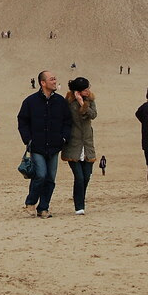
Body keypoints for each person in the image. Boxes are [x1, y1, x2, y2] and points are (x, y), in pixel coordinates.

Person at [17, 70, 72, 218]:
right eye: (52, 79)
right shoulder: (30, 101)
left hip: (54, 146)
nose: (55, 81)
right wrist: (28, 139)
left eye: (55, 79)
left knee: (50, 179)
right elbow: (22, 121)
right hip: (37, 146)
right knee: (40, 175)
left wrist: (63, 139)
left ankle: (43, 208)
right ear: (43, 83)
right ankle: (31, 202)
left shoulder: (60, 102)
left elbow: (68, 122)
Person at [61, 77, 97, 215]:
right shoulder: (68, 103)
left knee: (87, 176)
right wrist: (77, 103)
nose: (88, 91)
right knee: (79, 177)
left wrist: (83, 103)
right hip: (73, 144)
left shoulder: (91, 100)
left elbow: (93, 115)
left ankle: (80, 200)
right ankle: (79, 206)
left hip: (87, 144)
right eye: (85, 89)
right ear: (78, 91)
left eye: (88, 88)